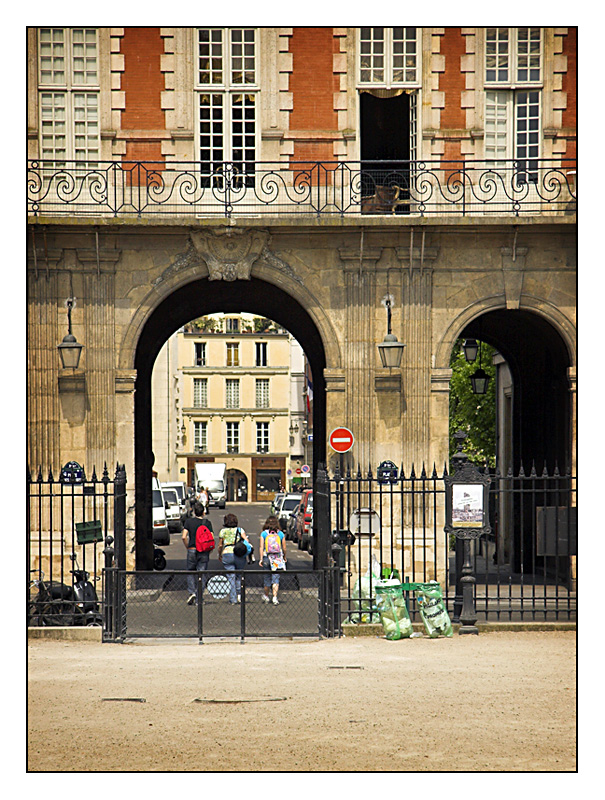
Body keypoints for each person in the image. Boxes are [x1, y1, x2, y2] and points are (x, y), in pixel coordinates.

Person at [181, 501, 214, 605]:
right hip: (203, 550)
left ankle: (192, 592)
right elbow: (211, 538)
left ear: (194, 512)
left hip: (192, 549)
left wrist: (188, 547)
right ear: (203, 512)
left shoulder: (189, 522)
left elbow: (183, 536)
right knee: (202, 574)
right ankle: (199, 596)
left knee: (190, 571)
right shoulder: (207, 523)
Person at [218, 513, 249, 604]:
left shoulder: (222, 531)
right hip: (238, 553)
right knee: (239, 575)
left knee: (231, 577)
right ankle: (240, 595)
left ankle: (233, 599)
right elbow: (246, 541)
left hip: (227, 553)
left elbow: (220, 545)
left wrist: (219, 554)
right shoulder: (240, 530)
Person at [259, 514, 287, 605]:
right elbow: (284, 547)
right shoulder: (280, 534)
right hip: (277, 558)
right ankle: (275, 597)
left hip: (267, 556)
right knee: (276, 578)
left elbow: (261, 547)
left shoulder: (264, 533)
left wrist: (261, 559)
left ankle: (266, 596)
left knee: (267, 577)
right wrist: (284, 557)